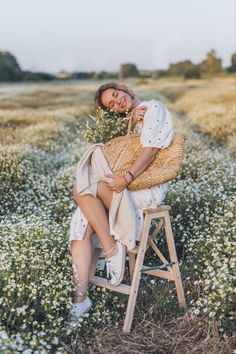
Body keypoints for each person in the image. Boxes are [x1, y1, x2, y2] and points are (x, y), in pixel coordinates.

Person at [68, 82, 174, 322]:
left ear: (124, 90)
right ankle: (81, 298)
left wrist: (126, 178)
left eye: (116, 95)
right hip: (121, 185)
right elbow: (114, 154)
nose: (118, 102)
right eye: (112, 104)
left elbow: (151, 150)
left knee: (80, 190)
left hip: (144, 187)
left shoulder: (153, 107)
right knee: (82, 219)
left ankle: (111, 250)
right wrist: (128, 121)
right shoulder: (127, 122)